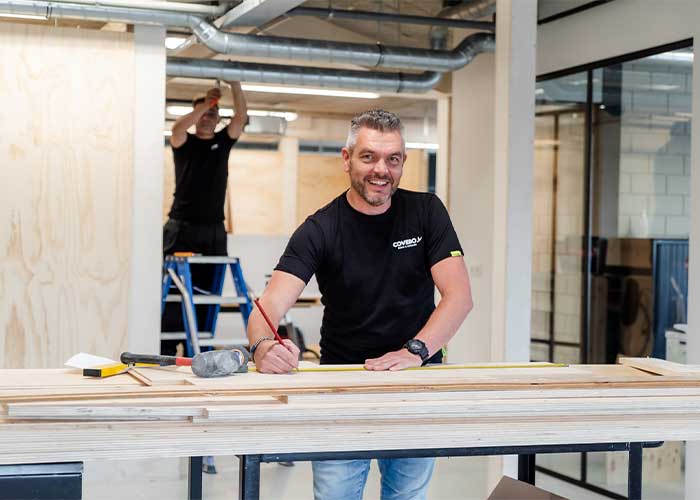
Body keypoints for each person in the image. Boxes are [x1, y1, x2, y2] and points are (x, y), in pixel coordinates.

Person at [246, 109, 473, 500]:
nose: (381, 170)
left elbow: (460, 298)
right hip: (342, 388)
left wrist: (414, 352)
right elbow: (266, 309)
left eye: (393, 159)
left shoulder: (426, 212)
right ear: (347, 158)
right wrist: (263, 347)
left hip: (414, 383)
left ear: (403, 163)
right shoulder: (320, 229)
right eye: (369, 156)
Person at [162, 82, 248, 356]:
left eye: (213, 113)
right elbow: (177, 127)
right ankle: (165, 346)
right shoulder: (182, 142)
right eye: (204, 113)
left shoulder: (222, 143)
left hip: (212, 231)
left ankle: (196, 349)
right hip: (181, 228)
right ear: (196, 115)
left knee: (207, 291)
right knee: (175, 292)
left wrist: (235, 84)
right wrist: (204, 106)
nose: (208, 118)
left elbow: (241, 117)